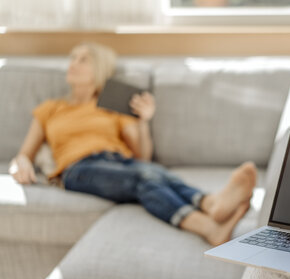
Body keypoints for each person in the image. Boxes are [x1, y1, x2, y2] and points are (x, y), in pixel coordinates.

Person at [8, 42, 257, 246]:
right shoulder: (51, 109)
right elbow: (24, 155)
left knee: (154, 174)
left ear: (100, 69)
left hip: (122, 162)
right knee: (145, 177)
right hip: (77, 169)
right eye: (73, 57)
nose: (73, 63)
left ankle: (211, 206)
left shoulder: (113, 106)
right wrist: (20, 164)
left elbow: (142, 156)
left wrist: (143, 121)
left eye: (83, 59)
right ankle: (207, 220)